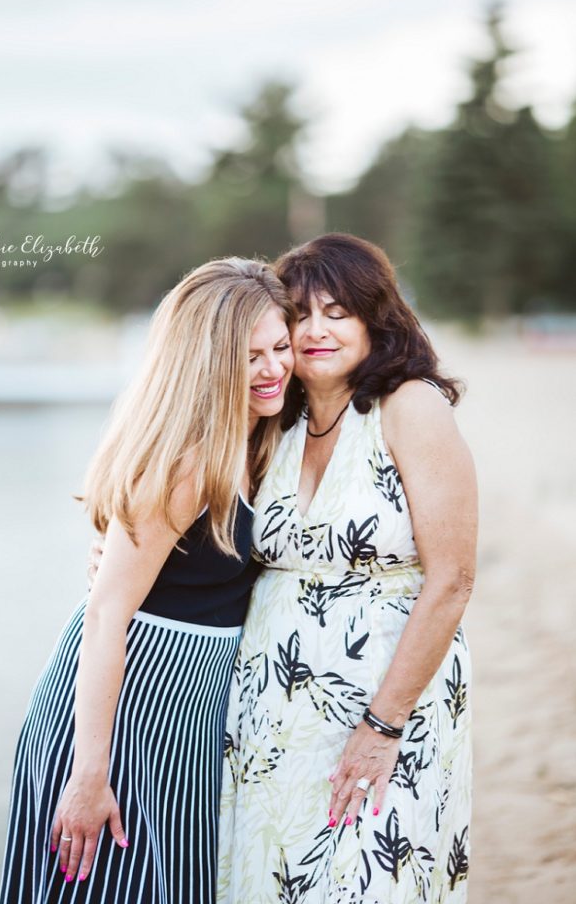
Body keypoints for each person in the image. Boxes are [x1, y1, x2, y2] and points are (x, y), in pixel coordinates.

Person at [0, 257, 295, 904]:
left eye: (280, 347)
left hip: (187, 714)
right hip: (125, 708)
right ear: (207, 364)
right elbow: (106, 615)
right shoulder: (187, 464)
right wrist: (88, 773)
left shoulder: (260, 439)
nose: (273, 370)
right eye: (249, 357)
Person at [217, 233, 477, 904]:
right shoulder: (274, 421)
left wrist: (382, 725)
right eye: (298, 315)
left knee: (372, 878)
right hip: (271, 709)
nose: (314, 330)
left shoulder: (408, 408)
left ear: (374, 318)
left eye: (337, 311)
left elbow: (451, 579)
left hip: (385, 695)